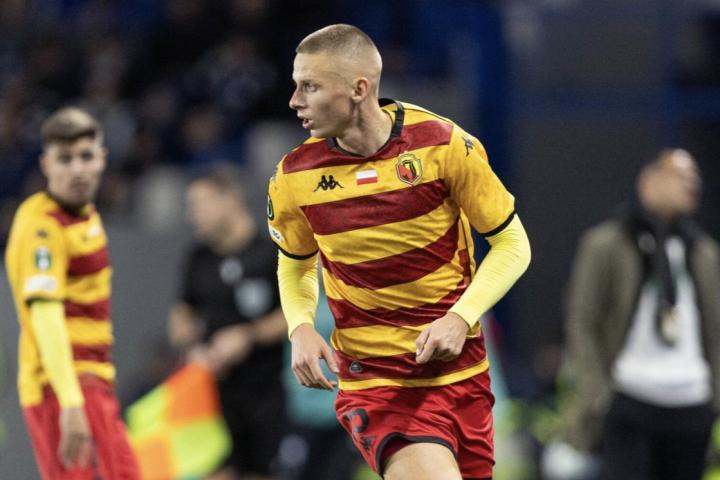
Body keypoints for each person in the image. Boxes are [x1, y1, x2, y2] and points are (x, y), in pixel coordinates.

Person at [267, 24, 531, 480]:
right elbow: (295, 263)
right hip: (377, 383)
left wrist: (460, 317)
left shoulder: (445, 145)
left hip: (461, 373)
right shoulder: (294, 177)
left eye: (309, 86)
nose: (294, 101)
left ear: (359, 89)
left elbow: (513, 244)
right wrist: (300, 327)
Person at [563, 149, 720, 480]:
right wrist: (599, 394)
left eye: (695, 176)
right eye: (680, 174)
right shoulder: (607, 244)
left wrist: (713, 395)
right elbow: (582, 320)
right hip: (630, 398)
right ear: (649, 182)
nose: (692, 183)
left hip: (692, 402)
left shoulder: (703, 252)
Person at [4, 107, 140, 479]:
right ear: (46, 165)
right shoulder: (42, 227)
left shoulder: (86, 215)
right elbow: (45, 316)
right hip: (62, 386)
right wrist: (71, 402)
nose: (77, 169)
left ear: (102, 158)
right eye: (65, 159)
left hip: (93, 382)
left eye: (85, 156)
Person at [168, 164, 287, 480]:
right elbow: (182, 314)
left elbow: (294, 315)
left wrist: (248, 336)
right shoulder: (197, 257)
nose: (193, 215)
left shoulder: (271, 251)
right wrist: (194, 347)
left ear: (230, 199)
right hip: (212, 392)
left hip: (266, 392)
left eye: (200, 205)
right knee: (214, 470)